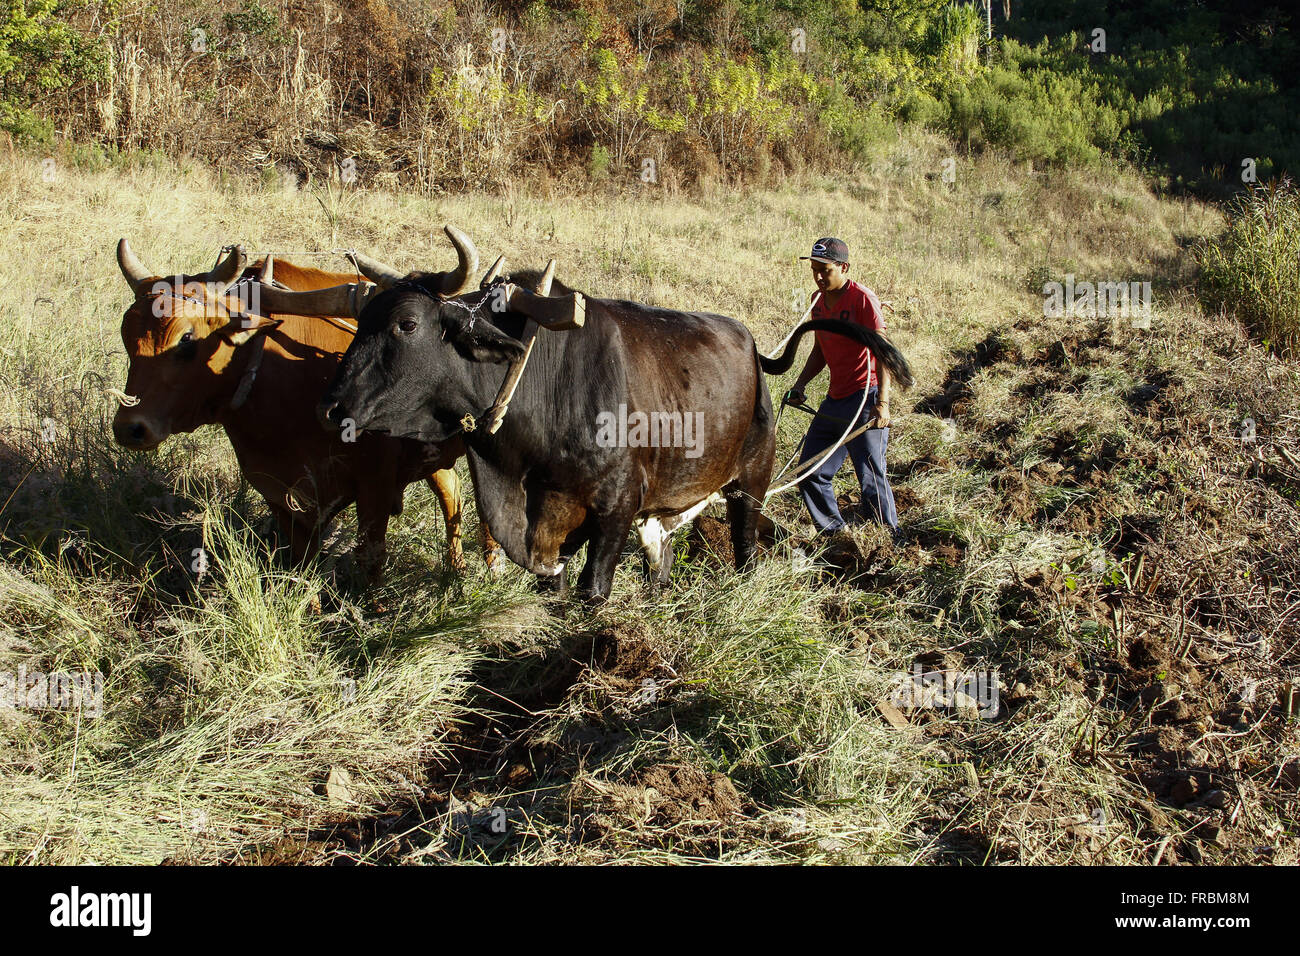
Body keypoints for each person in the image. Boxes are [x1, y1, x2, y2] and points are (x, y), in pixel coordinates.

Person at [784, 237, 899, 535]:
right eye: (814, 269)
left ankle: (888, 540)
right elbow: (820, 349)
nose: (819, 276)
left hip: (865, 398)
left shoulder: (862, 299)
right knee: (810, 472)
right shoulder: (817, 303)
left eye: (826, 269)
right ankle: (837, 535)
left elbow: (883, 351)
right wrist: (800, 383)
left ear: (843, 267)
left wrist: (883, 402)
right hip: (835, 400)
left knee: (871, 476)